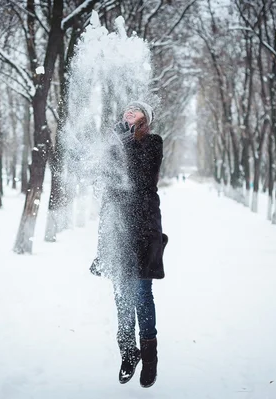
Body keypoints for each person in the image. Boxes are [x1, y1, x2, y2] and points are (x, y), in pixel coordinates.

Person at [90, 101, 168, 388]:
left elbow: (141, 175)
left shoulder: (152, 143)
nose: (127, 112)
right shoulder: (115, 141)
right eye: (125, 110)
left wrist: (122, 140)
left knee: (141, 293)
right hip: (117, 228)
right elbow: (106, 178)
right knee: (122, 296)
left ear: (145, 118)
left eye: (134, 111)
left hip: (144, 227)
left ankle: (150, 357)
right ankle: (128, 352)